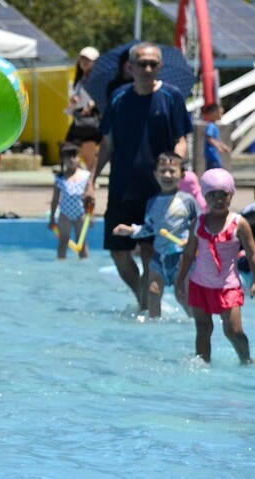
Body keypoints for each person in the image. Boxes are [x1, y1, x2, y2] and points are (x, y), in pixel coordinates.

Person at [84, 42, 192, 312]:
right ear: (129, 67)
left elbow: (181, 139)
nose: (146, 69)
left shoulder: (172, 96)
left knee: (148, 253)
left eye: (152, 64)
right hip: (122, 188)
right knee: (118, 253)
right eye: (141, 63)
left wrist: (175, 164)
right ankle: (142, 297)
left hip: (157, 193)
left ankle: (148, 305)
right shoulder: (118, 98)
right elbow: (106, 144)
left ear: (160, 67)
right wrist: (91, 181)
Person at [175, 169, 255, 364]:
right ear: (204, 196)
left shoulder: (239, 223)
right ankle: (203, 366)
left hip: (228, 287)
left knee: (233, 331)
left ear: (231, 195)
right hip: (200, 285)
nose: (218, 200)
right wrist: (179, 281)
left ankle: (247, 360)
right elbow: (187, 254)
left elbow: (252, 254)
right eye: (212, 195)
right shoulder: (198, 222)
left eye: (223, 195)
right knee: (203, 330)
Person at [112, 152, 199, 318]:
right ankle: (154, 326)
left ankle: (195, 323)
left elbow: (200, 225)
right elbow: (149, 227)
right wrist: (130, 231)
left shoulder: (187, 200)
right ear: (155, 174)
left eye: (172, 171)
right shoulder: (152, 201)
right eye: (163, 171)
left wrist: (190, 240)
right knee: (153, 292)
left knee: (183, 297)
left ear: (181, 175)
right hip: (159, 257)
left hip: (181, 258)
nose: (167, 175)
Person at [48, 142, 91, 259]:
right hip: (65, 213)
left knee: (81, 242)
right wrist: (52, 217)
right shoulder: (60, 178)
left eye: (74, 156)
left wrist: (90, 216)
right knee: (63, 241)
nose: (72, 160)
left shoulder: (85, 176)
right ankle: (61, 263)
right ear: (63, 159)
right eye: (68, 157)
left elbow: (90, 197)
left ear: (79, 158)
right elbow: (55, 199)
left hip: (80, 213)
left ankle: (84, 265)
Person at [64, 46, 102, 171]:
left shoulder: (99, 80)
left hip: (92, 122)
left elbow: (104, 98)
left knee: (88, 154)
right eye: (82, 59)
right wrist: (72, 103)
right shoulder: (79, 81)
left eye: (88, 60)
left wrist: (92, 104)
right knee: (69, 149)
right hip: (79, 120)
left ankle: (90, 180)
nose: (84, 62)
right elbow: (72, 105)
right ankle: (84, 177)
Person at [203, 103, 230, 170]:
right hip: (212, 155)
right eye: (220, 113)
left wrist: (223, 146)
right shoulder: (211, 126)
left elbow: (216, 140)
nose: (221, 115)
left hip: (214, 155)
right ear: (214, 113)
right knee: (215, 173)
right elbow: (209, 138)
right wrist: (218, 147)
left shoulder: (213, 125)